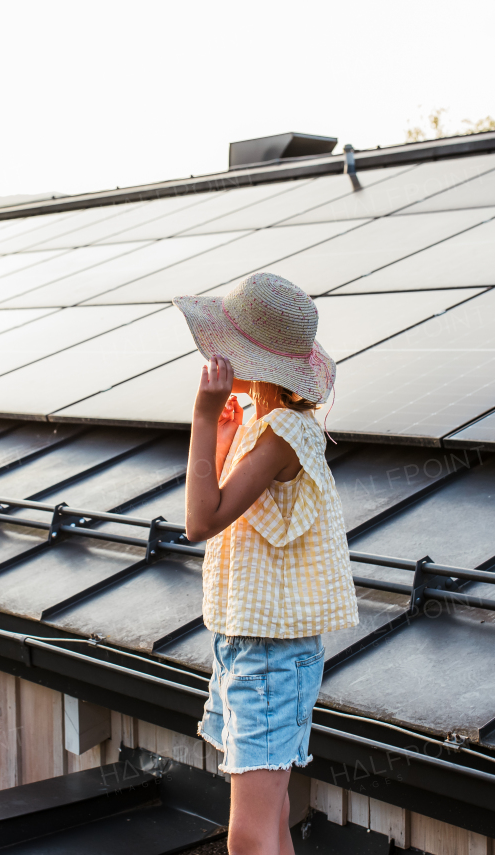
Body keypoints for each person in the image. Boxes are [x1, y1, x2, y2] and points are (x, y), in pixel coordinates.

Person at [173, 273, 358, 855]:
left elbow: (200, 521)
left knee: (247, 840)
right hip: (255, 646)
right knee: (271, 821)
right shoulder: (274, 428)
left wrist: (204, 420)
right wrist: (226, 435)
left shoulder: (280, 433)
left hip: (267, 655)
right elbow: (226, 510)